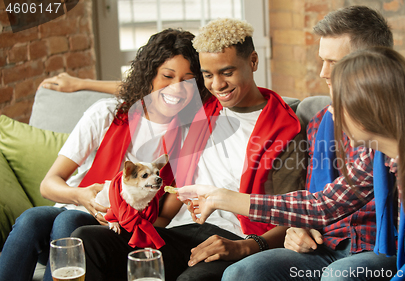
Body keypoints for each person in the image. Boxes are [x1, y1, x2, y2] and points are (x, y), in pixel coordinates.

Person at [216, 6, 405, 281]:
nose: (323, 74)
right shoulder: (378, 152)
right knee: (242, 273)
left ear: (371, 74)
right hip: (331, 244)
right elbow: (324, 203)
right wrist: (227, 200)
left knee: (340, 275)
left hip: (393, 252)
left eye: (337, 65)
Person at [70, 18, 307, 281]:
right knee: (87, 239)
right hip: (180, 231)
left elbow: (293, 211)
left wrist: (247, 246)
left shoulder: (285, 129)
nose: (217, 85)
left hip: (235, 237)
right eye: (207, 75)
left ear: (252, 61)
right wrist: (80, 84)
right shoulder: (203, 107)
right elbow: (151, 84)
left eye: (227, 72)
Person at [0, 28, 209, 281]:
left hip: (116, 231)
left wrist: (125, 220)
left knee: (70, 224)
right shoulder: (107, 114)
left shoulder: (190, 139)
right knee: (32, 219)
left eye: (187, 80)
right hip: (70, 210)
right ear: (150, 74)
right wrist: (80, 195)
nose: (177, 88)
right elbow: (49, 184)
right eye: (167, 75)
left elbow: (164, 216)